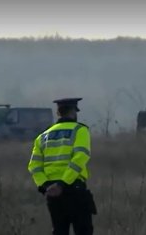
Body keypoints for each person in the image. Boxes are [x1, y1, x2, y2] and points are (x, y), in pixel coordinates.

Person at [28, 98, 96, 235]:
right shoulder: (80, 130)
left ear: (58, 113)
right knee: (83, 230)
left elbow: (34, 166)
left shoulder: (42, 136)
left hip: (52, 194)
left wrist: (46, 186)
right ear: (73, 112)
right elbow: (80, 157)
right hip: (74, 189)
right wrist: (63, 183)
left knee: (59, 231)